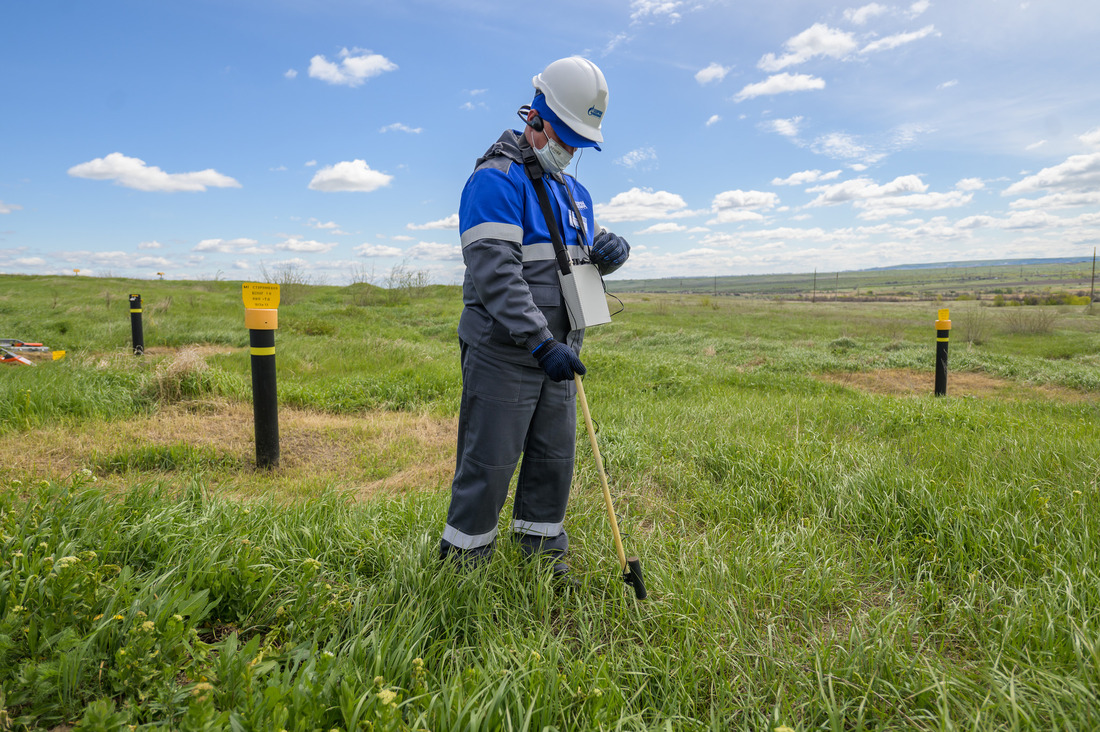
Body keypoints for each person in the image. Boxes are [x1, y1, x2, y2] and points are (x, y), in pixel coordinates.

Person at [439, 57, 630, 578]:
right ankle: (462, 569)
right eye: (565, 138)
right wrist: (540, 342)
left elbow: (574, 266)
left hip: (561, 354)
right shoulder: (495, 181)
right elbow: (496, 274)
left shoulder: (574, 194)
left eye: (578, 144)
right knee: (489, 464)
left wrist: (608, 252)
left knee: (554, 461)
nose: (570, 152)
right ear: (537, 119)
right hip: (508, 352)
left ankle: (543, 564)